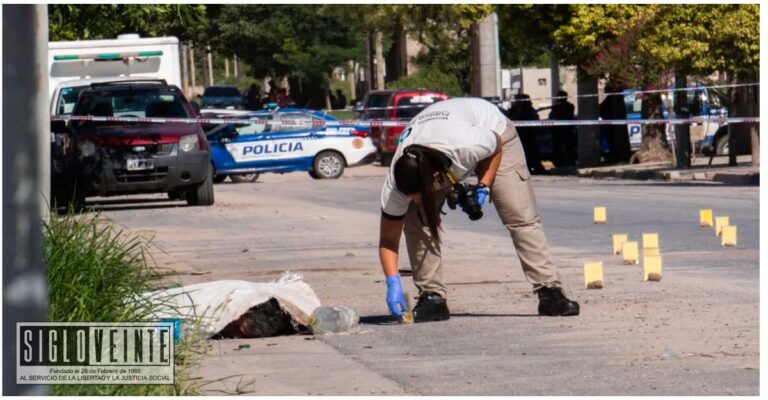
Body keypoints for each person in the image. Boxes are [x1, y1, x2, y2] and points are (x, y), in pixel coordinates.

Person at [379, 98, 580, 323]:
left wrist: (484, 185)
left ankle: (550, 292)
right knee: (417, 219)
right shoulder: (397, 184)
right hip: (439, 140)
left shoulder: (467, 144)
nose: (414, 199)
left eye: (419, 194)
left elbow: (496, 143)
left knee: (519, 215)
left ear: (436, 178)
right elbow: (388, 240)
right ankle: (432, 297)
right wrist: (392, 282)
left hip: (494, 134)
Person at [506, 94, 546, 174]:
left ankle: (536, 168)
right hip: (517, 135)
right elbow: (510, 120)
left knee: (532, 152)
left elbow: (535, 120)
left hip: (529, 135)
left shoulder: (530, 110)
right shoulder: (513, 110)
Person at [548, 90, 577, 166]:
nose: (557, 98)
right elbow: (551, 117)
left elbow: (566, 115)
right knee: (556, 148)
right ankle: (559, 163)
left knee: (569, 148)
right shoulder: (556, 107)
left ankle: (570, 163)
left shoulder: (569, 106)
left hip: (567, 130)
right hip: (557, 131)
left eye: (559, 96)